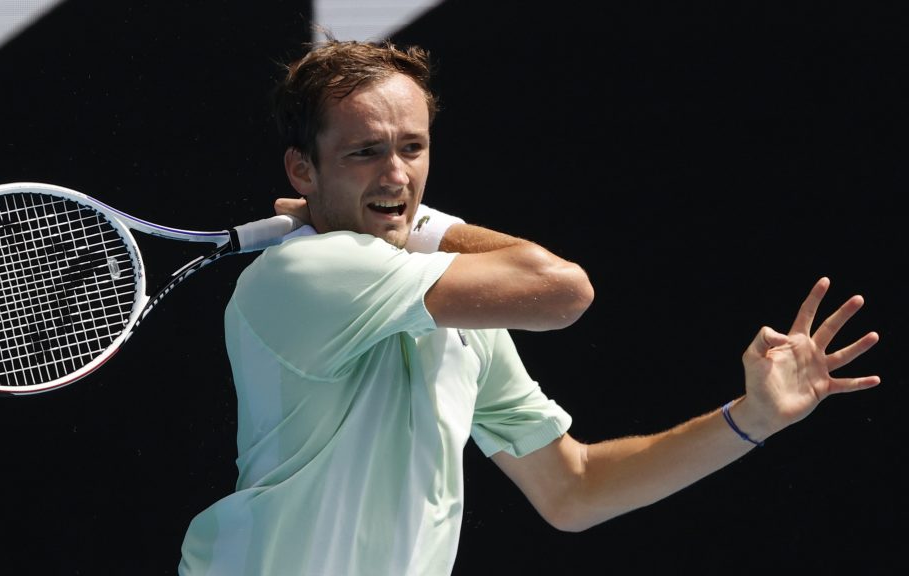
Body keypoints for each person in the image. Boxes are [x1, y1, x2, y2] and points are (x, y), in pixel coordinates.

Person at [178, 37, 881, 575]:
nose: (397, 175)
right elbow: (564, 290)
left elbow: (574, 489)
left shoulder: (451, 310)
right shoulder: (303, 271)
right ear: (302, 168)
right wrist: (426, 225)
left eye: (413, 148)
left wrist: (752, 418)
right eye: (365, 152)